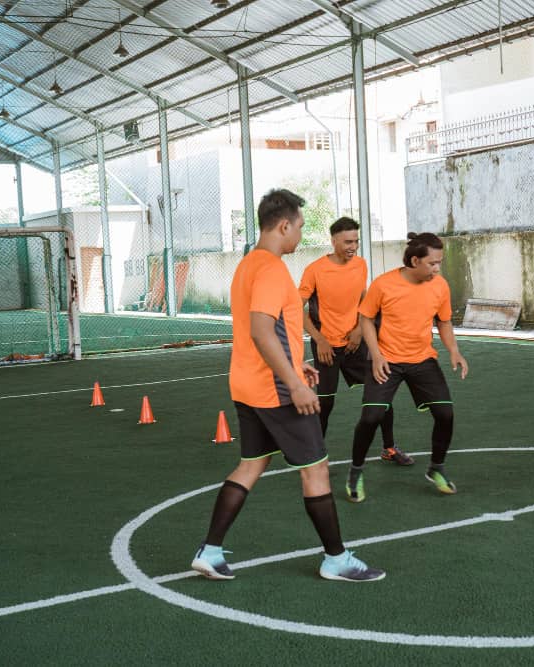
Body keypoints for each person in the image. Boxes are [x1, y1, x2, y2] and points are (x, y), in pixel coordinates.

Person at [191, 189, 384, 582]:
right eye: (298, 227)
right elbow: (262, 331)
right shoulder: (271, 270)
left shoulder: (248, 266)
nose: (299, 234)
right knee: (317, 470)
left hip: (247, 385)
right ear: (283, 225)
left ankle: (209, 551)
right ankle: (336, 559)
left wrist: (298, 365)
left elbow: (266, 331)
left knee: (251, 464)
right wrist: (293, 382)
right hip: (274, 391)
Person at [346, 232, 468, 502]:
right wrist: (376, 355)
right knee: (371, 418)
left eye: (440, 263)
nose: (438, 269)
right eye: (432, 263)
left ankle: (436, 468)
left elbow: (444, 321)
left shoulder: (440, 286)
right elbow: (365, 318)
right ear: (415, 260)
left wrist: (454, 351)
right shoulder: (384, 284)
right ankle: (355, 471)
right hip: (387, 359)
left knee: (445, 414)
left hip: (422, 359)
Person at [299, 217, 412, 465]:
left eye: (356, 241)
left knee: (381, 392)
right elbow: (297, 308)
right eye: (348, 241)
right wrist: (320, 340)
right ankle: (314, 456)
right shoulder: (315, 270)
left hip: (355, 343)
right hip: (326, 347)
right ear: (334, 241)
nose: (353, 246)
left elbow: (365, 300)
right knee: (325, 404)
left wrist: (360, 330)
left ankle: (389, 448)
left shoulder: (360, 265)